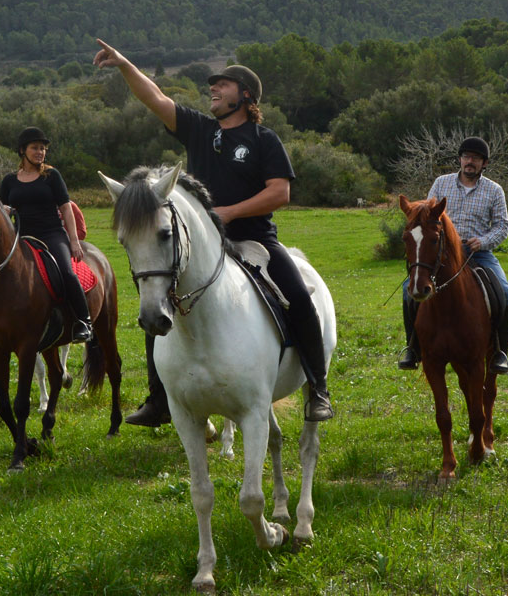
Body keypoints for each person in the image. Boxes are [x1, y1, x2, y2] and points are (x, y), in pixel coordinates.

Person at [93, 39, 334, 424]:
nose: (214, 89)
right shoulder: (200, 130)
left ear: (245, 96)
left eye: (223, 84)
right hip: (202, 245)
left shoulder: (264, 140)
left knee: (301, 299)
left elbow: (280, 192)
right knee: (158, 303)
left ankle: (318, 390)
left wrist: (229, 213)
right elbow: (155, 98)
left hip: (256, 241)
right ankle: (159, 400)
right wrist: (124, 64)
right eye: (213, 85)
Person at [398, 136, 508, 374]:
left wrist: (483, 241)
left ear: (484, 163)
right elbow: (426, 216)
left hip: (477, 254)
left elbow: (502, 226)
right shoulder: (441, 183)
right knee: (408, 291)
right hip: (442, 254)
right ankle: (412, 348)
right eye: (466, 157)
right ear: (460, 159)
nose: (470, 161)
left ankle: (499, 352)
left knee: (505, 292)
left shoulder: (494, 190)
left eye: (476, 158)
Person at [0, 127, 93, 347]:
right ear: (22, 151)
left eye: (43, 148)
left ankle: (83, 321)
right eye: (35, 148)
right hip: (22, 236)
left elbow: (66, 208)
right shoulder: (10, 181)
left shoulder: (52, 176)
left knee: (66, 271)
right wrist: (4, 213)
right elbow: (3, 212)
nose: (40, 152)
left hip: (52, 235)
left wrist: (74, 241)